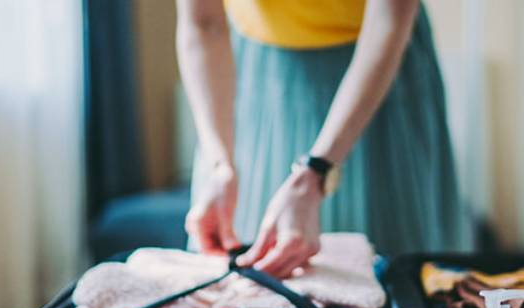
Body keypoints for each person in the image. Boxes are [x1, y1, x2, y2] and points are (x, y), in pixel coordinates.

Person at [177, 0, 466, 278]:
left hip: (379, 66)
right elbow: (203, 23)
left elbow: (388, 20)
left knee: (389, 271)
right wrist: (220, 163)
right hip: (255, 72)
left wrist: (316, 172)